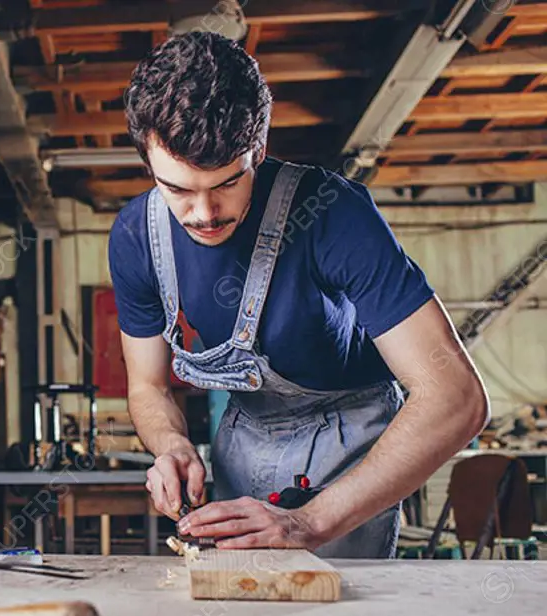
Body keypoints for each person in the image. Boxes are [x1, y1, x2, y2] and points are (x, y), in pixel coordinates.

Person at [108, 31, 490, 558]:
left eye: (225, 184)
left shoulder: (334, 212)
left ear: (258, 150)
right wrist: (172, 446)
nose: (203, 214)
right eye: (177, 188)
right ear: (148, 164)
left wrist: (309, 522)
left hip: (349, 443)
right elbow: (148, 386)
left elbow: (457, 398)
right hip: (241, 437)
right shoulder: (136, 238)